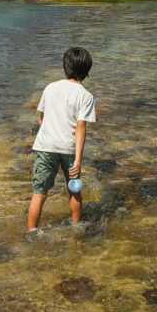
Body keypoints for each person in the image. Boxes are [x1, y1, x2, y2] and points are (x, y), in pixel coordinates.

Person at [27, 47, 96, 231]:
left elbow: (42, 119)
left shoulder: (50, 88)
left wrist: (51, 134)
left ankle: (31, 232)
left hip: (46, 146)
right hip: (69, 149)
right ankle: (76, 228)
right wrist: (79, 160)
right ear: (87, 71)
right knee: (74, 189)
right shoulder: (86, 96)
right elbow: (80, 127)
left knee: (39, 193)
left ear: (65, 67)